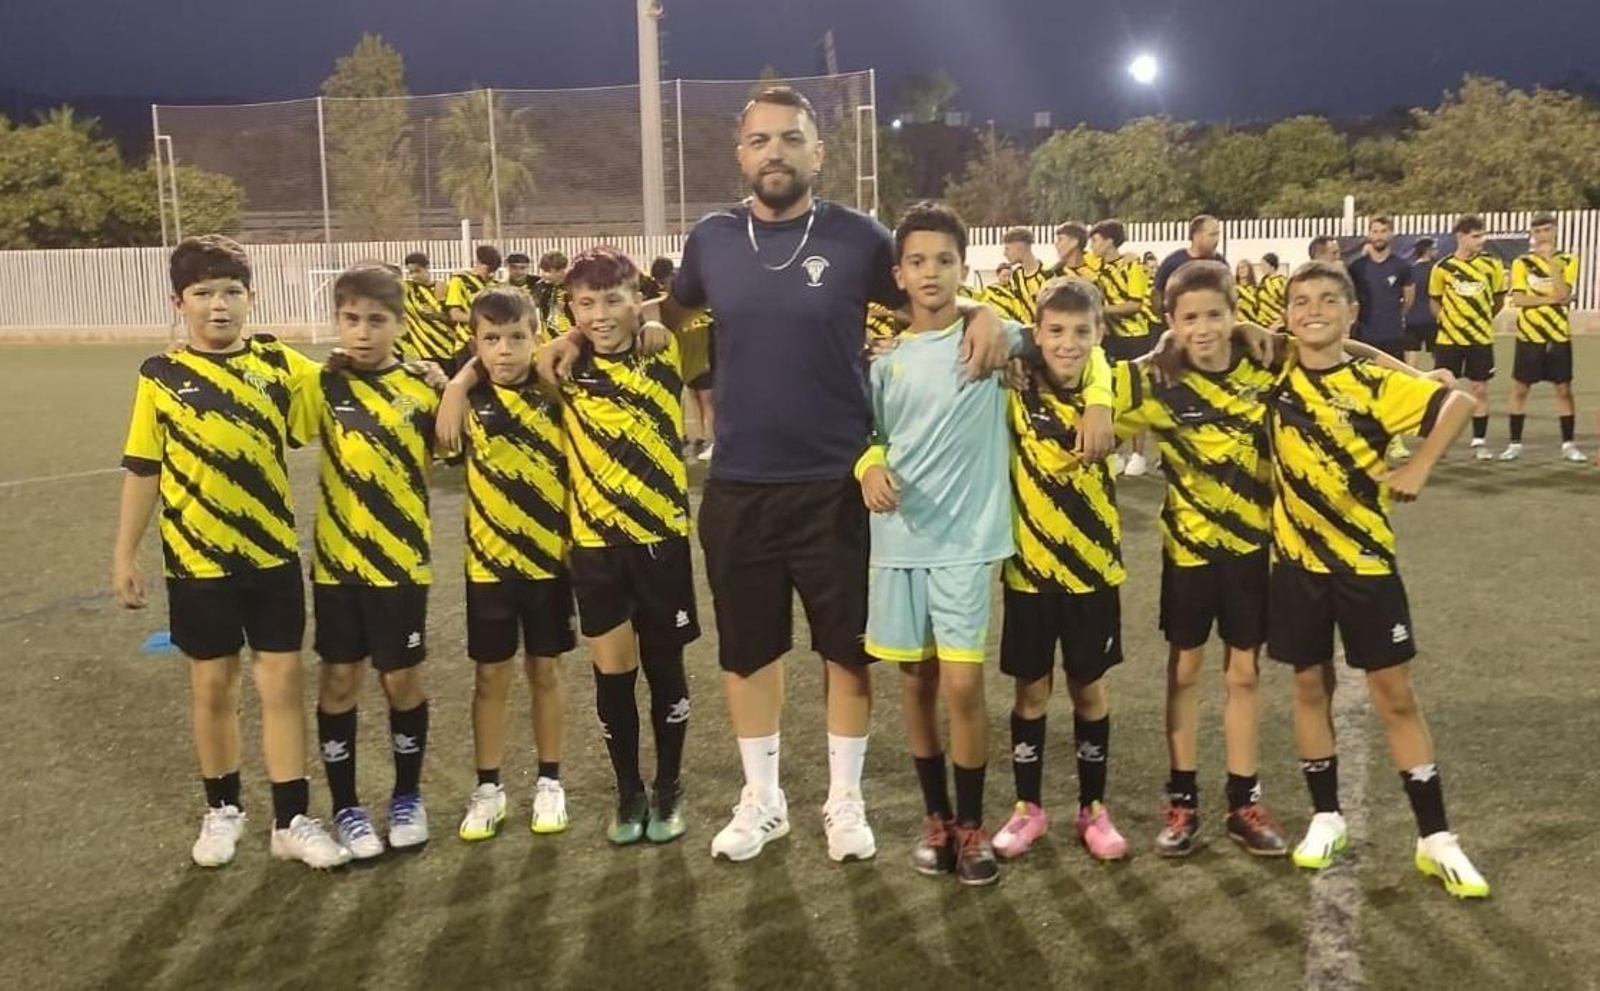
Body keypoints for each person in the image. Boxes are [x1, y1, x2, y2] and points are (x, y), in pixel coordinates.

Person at [537, 86, 1025, 864]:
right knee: (747, 652)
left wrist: (985, 312)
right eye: (760, 140)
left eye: (790, 139)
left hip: (839, 481)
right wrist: (575, 332)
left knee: (846, 652)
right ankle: (763, 800)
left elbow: (927, 296)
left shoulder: (858, 237)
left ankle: (844, 801)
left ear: (817, 152)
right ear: (741, 154)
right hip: (739, 483)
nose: (775, 153)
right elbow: (673, 312)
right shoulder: (714, 239)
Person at [112, 236, 349, 870]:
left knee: (281, 682)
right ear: (178, 302)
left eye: (231, 293)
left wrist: (442, 375)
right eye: (204, 294)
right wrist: (122, 555)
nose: (219, 307)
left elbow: (346, 377)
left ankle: (291, 818)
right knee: (212, 685)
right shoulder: (160, 376)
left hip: (270, 557)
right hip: (196, 563)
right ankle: (223, 808)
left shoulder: (280, 366)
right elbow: (143, 468)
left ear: (250, 298)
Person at [1269, 260, 1489, 899]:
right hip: (1295, 566)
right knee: (1309, 686)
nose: (1313, 310)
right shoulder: (1275, 371)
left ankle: (1436, 838)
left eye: (1329, 300)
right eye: (1302, 300)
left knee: (1394, 694)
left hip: (1366, 565)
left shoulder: (1373, 382)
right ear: (1286, 314)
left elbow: (1458, 400)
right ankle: (1325, 817)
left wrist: (1420, 463)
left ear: (1351, 311)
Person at [856, 202, 1030, 886]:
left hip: (964, 543)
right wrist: (867, 464)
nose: (932, 272)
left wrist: (988, 314)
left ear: (965, 267)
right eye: (919, 261)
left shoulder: (989, 337)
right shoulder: (882, 360)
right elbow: (864, 432)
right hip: (895, 542)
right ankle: (936, 818)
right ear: (899, 274)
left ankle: (972, 825)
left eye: (946, 260)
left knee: (963, 683)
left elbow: (1072, 343)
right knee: (916, 680)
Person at [1118, 260, 1287, 858]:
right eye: (1189, 318)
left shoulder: (1267, 368)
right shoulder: (1158, 381)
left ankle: (1243, 801)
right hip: (1187, 554)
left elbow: (1338, 349)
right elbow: (1086, 375)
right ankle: (1182, 801)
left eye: (1217, 314)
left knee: (1243, 674)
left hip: (1249, 552)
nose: (1205, 327)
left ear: (1235, 315)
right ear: (1170, 322)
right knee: (1184, 672)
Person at [298, 265, 443, 861]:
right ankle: (348, 807)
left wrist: (443, 378)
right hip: (336, 566)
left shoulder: (424, 390)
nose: (362, 332)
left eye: (376, 321)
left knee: (400, 679)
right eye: (351, 320)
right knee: (338, 681)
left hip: (402, 565)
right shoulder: (323, 386)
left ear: (400, 325)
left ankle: (408, 796)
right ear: (337, 322)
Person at [556, 247, 697, 844]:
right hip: (594, 547)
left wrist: (660, 320)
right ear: (571, 308)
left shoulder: (666, 352)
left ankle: (668, 789)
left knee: (665, 667)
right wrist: (455, 384)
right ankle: (628, 792)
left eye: (613, 300)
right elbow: (494, 362)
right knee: (613, 674)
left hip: (661, 538)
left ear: (637, 300)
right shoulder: (562, 366)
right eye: (585, 304)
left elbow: (703, 307)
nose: (600, 314)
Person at [992, 278, 1132, 865]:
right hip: (1030, 572)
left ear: (1099, 334)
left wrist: (1100, 393)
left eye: (1081, 332)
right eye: (1054, 331)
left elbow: (1166, 354)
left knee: (1088, 689)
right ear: (1035, 332)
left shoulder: (1117, 383)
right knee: (1030, 692)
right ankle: (1028, 808)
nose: (1067, 343)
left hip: (1095, 573)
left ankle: (1093, 809)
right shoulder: (1011, 387)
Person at [450, 288, 576, 842]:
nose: (504, 351)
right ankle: (488, 788)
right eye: (491, 340)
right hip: (488, 566)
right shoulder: (467, 399)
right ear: (476, 344)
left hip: (550, 563)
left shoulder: (557, 394)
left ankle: (550, 781)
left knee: (545, 672)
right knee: (489, 677)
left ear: (537, 336)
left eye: (517, 338)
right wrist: (456, 384)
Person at [1502, 213, 1584, 463]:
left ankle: (1568, 444)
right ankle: (1515, 444)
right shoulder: (1521, 263)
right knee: (1520, 389)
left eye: (1546, 230)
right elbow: (1519, 299)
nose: (1542, 236)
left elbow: (1565, 292)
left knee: (1564, 390)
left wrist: (1550, 264)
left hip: (1558, 335)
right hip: (1529, 335)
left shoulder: (1569, 260)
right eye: (1537, 232)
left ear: (1555, 231)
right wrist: (1552, 300)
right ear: (1532, 235)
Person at [1428, 214, 1506, 459]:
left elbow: (1499, 299)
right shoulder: (1442, 268)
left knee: (1479, 389)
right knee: (1444, 392)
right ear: (1460, 236)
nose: (1481, 241)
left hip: (1480, 339)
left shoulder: (1492, 265)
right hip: (1448, 341)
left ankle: (1479, 441)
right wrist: (1446, 321)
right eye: (1476, 236)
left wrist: (1480, 320)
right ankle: (1440, 442)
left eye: (1482, 235)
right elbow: (1434, 300)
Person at [1089, 219, 1157, 477]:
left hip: (1135, 338)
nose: (1092, 245)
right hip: (1110, 338)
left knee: (1136, 396)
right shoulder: (1096, 266)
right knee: (1110, 394)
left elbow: (1135, 305)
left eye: (1095, 240)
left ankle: (1138, 454)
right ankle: (1115, 452)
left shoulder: (1132, 265)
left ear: (1108, 241)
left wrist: (1100, 310)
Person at [1154, 215, 1223, 322]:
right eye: (1212, 234)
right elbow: (1157, 293)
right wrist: (1165, 319)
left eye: (1218, 234)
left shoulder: (1220, 263)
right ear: (1197, 236)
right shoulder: (1173, 262)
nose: (1217, 239)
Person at [400, 252, 462, 363]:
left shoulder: (444, 289)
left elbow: (454, 320)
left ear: (427, 268)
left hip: (447, 349)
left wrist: (436, 315)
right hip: (423, 353)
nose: (414, 276)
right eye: (411, 272)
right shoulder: (408, 289)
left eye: (418, 271)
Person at [446, 245, 502, 330]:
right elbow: (455, 314)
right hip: (467, 338)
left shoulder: (496, 285)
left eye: (493, 270)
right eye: (487, 269)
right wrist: (482, 321)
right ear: (478, 262)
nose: (490, 274)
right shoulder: (459, 280)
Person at [1402, 239, 1439, 365]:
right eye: (1434, 249)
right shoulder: (1436, 270)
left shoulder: (1410, 270)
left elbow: (1405, 295)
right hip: (1433, 319)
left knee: (1411, 364)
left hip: (1412, 320)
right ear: (1427, 250)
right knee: (1440, 360)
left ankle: (1410, 385)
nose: (1436, 251)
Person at [1005, 226, 1052, 310]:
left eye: (1007, 249)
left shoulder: (1048, 273)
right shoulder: (1016, 276)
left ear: (1020, 247)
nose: (1004, 253)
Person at [533, 251, 575, 334]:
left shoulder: (574, 285)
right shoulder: (540, 286)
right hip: (548, 333)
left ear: (561, 271)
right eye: (542, 271)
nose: (543, 275)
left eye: (547, 272)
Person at [1255, 253, 1287, 328]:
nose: (1262, 268)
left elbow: (1286, 303)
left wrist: (1279, 322)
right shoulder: (1262, 283)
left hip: (1277, 323)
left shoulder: (1281, 281)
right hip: (1262, 323)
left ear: (1272, 266)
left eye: (1264, 265)